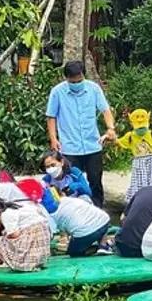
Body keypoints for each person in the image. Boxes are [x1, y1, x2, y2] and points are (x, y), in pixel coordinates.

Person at [46, 60, 116, 206]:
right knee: (71, 180)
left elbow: (105, 110)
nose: (77, 83)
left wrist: (110, 128)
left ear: (83, 75)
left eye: (79, 80)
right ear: (67, 78)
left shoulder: (93, 89)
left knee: (95, 180)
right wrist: (53, 138)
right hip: (70, 146)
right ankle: (74, 209)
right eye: (73, 81)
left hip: (92, 144)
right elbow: (51, 116)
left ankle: (98, 209)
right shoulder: (57, 92)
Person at [0, 196, 53, 272]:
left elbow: (14, 235)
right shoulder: (16, 206)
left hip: (34, 236)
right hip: (43, 236)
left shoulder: (6, 214)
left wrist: (6, 235)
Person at [116, 109, 152, 202]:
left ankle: (151, 200)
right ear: (132, 124)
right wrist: (109, 137)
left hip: (150, 163)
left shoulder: (151, 134)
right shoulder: (130, 136)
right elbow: (118, 142)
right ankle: (138, 201)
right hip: (138, 163)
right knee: (138, 184)